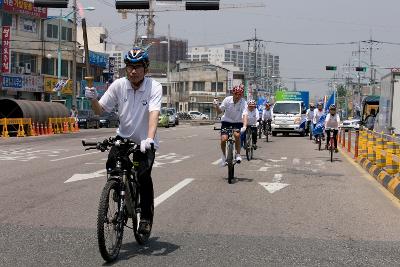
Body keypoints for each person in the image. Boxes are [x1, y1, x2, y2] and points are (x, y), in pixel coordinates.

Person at [85, 47, 161, 235]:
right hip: (123, 138)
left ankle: (145, 217)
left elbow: (154, 113)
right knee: (112, 165)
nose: (133, 71)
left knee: (143, 176)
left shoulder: (154, 87)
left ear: (146, 68)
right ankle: (119, 190)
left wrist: (149, 139)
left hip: (144, 141)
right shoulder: (119, 85)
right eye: (130, 67)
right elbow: (100, 110)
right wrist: (93, 98)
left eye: (138, 67)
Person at [213, 85, 248, 166]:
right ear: (233, 93)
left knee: (237, 135)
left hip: (237, 122)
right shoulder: (227, 100)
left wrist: (245, 126)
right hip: (226, 122)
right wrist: (216, 106)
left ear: (242, 95)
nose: (238, 96)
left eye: (240, 94)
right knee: (224, 139)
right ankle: (223, 156)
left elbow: (245, 115)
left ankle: (238, 154)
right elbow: (219, 112)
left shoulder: (243, 102)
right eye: (236, 94)